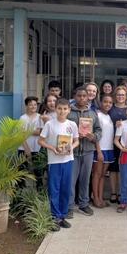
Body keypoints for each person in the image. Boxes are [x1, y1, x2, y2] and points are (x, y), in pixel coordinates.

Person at [38, 98, 79, 230]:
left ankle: (62, 216)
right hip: (54, 162)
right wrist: (52, 148)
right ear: (55, 109)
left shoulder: (72, 124)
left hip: (68, 160)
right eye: (59, 108)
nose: (62, 111)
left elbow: (76, 141)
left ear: (69, 110)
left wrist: (72, 147)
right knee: (54, 189)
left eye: (65, 109)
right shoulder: (50, 124)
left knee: (65, 189)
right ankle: (54, 217)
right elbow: (40, 141)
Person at [67, 87, 102, 217]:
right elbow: (64, 129)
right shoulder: (69, 113)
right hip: (72, 152)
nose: (82, 98)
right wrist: (74, 136)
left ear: (88, 98)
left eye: (84, 96)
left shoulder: (92, 113)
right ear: (75, 97)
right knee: (71, 180)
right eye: (79, 96)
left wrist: (94, 136)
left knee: (85, 179)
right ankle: (69, 206)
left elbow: (99, 130)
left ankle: (83, 204)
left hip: (88, 151)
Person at [91, 94, 115, 208]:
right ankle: (95, 198)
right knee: (96, 174)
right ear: (101, 102)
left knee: (102, 175)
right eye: (105, 102)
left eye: (110, 102)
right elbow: (96, 133)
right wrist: (99, 150)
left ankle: (101, 198)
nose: (108, 104)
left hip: (109, 149)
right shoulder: (97, 115)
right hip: (100, 149)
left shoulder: (109, 116)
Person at [108, 86, 127, 203]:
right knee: (113, 168)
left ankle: (121, 192)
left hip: (125, 143)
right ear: (115, 96)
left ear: (126, 96)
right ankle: (113, 192)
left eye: (123, 95)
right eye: (118, 94)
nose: (121, 97)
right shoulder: (111, 108)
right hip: (112, 141)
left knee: (122, 168)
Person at [18, 96, 44, 188]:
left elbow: (41, 132)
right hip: (23, 148)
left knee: (38, 172)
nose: (33, 106)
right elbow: (20, 134)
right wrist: (26, 149)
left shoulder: (40, 117)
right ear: (26, 106)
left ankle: (39, 191)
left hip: (37, 148)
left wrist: (27, 131)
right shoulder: (22, 118)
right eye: (30, 105)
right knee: (21, 172)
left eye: (35, 104)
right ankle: (20, 192)